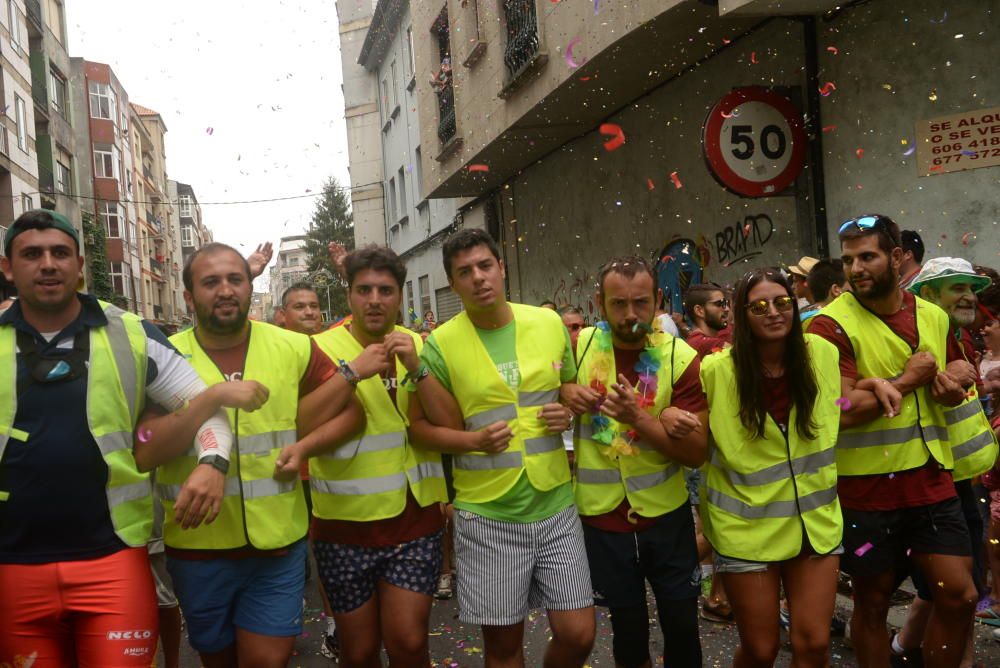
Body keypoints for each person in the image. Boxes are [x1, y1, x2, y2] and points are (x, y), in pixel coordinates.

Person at [0, 210, 235, 667]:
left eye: (60, 253)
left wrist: (213, 463)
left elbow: (208, 411)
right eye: (32, 254)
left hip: (112, 561)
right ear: (8, 267)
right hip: (11, 566)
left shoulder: (132, 333)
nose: (48, 264)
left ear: (81, 264)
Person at [152, 242, 364, 668]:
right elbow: (146, 447)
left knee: (267, 662)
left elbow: (352, 413)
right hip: (198, 548)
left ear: (250, 288)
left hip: (277, 548)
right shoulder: (164, 355)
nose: (226, 290)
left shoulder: (293, 347)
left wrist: (304, 446)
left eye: (236, 279)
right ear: (190, 297)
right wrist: (211, 399)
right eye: (211, 282)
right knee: (218, 660)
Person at [409, 228, 595, 667]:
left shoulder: (547, 323)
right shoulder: (439, 344)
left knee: (579, 634)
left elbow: (565, 385)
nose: (478, 277)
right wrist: (471, 441)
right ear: (453, 284)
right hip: (488, 514)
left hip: (554, 504)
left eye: (485, 265)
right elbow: (420, 429)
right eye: (465, 272)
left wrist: (569, 407)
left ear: (502, 267)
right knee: (504, 649)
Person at [702, 267, 897, 668]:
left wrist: (870, 384)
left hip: (815, 525)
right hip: (746, 531)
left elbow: (838, 403)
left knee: (813, 646)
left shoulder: (821, 354)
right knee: (761, 650)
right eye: (758, 306)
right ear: (741, 314)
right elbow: (689, 420)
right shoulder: (716, 371)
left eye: (782, 302)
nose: (773, 312)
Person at [807, 214, 979, 668]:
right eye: (848, 260)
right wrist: (907, 381)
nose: (856, 269)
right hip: (866, 491)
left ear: (898, 257)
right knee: (873, 603)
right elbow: (838, 412)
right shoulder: (828, 327)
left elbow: (960, 368)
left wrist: (958, 378)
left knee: (960, 596)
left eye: (868, 256)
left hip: (932, 480)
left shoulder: (933, 315)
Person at [565, 256, 707, 668]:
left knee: (682, 628)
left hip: (666, 518)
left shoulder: (680, 357)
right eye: (618, 304)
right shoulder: (581, 346)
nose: (630, 315)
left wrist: (639, 418)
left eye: (641, 303)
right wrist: (563, 392)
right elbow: (548, 384)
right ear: (599, 303)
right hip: (602, 520)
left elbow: (696, 452)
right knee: (628, 635)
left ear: (658, 299)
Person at [310, 246, 447, 667]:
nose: (374, 299)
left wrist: (417, 365)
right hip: (344, 525)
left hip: (415, 521)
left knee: (408, 644)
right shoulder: (318, 349)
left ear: (400, 295)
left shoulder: (420, 344)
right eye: (364, 289)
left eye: (385, 290)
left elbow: (448, 423)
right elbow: (300, 423)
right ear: (348, 294)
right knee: (360, 651)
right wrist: (351, 373)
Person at [894, 259, 1000, 663]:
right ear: (928, 295)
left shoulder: (961, 339)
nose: (969, 296)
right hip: (928, 485)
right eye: (957, 287)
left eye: (971, 288)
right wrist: (937, 375)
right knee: (949, 589)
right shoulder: (921, 339)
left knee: (954, 588)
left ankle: (904, 648)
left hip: (963, 481)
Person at [682, 283, 732, 358]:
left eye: (726, 303)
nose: (727, 309)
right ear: (699, 311)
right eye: (719, 304)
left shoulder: (696, 341)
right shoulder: (705, 344)